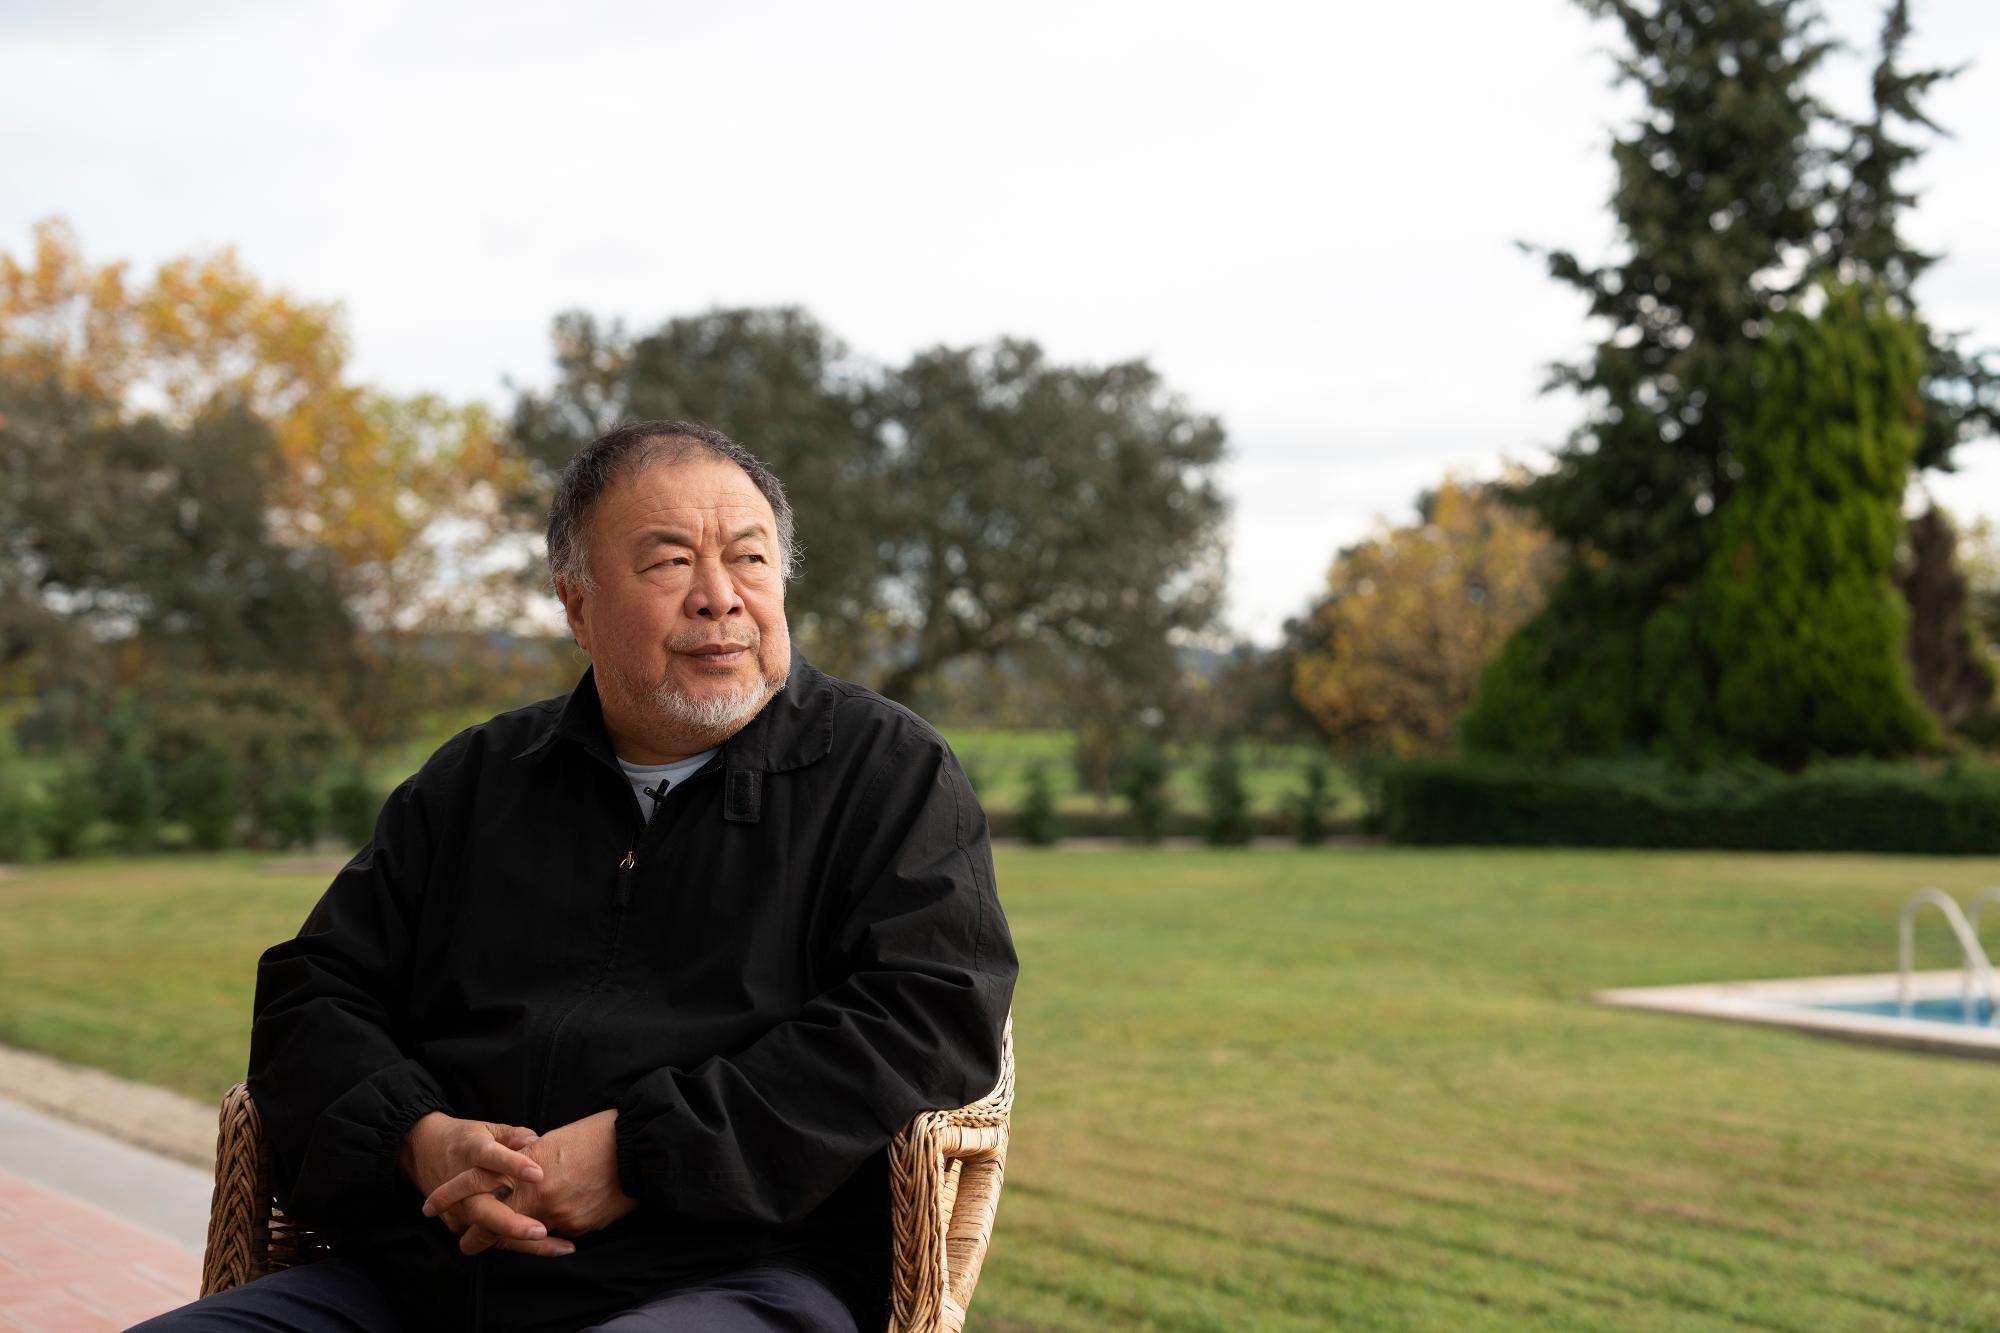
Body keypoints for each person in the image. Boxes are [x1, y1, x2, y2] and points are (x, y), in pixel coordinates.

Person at [136, 421, 1017, 1333]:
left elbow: (929, 1013)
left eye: (750, 559)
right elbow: (309, 992)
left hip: (736, 1277)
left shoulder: (886, 772)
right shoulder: (476, 781)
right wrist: (422, 1142)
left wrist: (640, 1155)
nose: (720, 598)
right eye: (670, 563)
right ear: (577, 604)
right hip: (420, 1276)